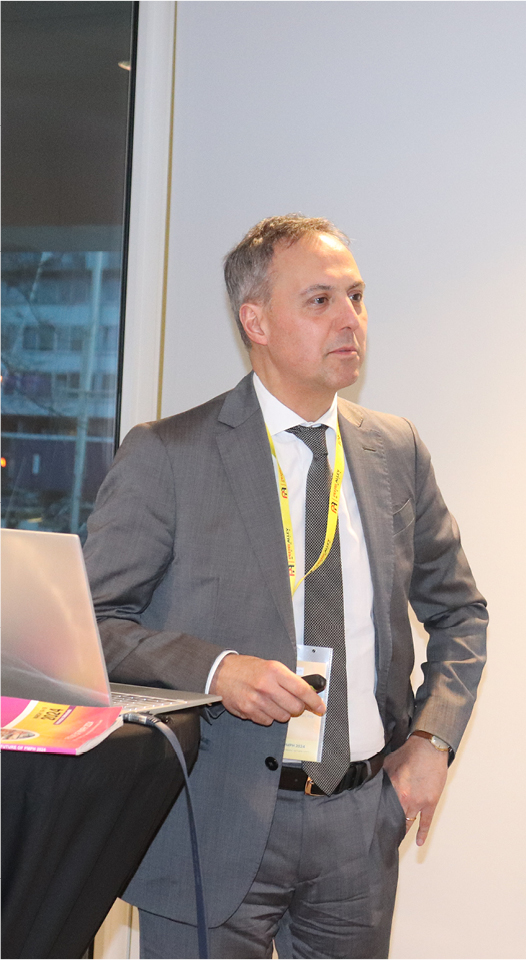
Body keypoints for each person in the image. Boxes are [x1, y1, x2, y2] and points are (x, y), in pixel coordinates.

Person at [83, 215, 487, 958]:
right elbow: (94, 625)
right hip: (213, 819)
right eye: (320, 301)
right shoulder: (168, 455)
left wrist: (433, 741)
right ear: (256, 321)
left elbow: (460, 612)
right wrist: (216, 670)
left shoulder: (396, 449)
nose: (350, 320)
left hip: (358, 827)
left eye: (356, 297)